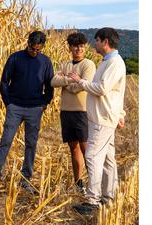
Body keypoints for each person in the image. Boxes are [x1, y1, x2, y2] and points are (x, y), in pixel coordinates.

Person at [0, 31, 54, 194]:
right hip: (15, 107)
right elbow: (4, 81)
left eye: (38, 50)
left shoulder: (45, 62)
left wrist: (44, 104)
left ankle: (25, 180)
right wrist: (8, 103)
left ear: (42, 47)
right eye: (32, 48)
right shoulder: (15, 58)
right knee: (6, 141)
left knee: (31, 144)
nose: (34, 52)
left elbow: (49, 85)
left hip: (34, 108)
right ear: (28, 43)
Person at [69, 27, 126, 214]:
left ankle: (93, 200)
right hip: (103, 117)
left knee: (92, 156)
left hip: (102, 119)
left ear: (105, 42)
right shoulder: (107, 62)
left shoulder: (114, 63)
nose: (95, 44)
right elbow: (116, 93)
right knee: (108, 159)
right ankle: (109, 197)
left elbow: (102, 88)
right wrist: (120, 114)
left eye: (97, 40)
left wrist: (81, 82)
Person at [51, 32, 96, 194]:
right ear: (70, 47)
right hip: (66, 112)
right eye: (75, 46)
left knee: (86, 149)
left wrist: (66, 81)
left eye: (81, 46)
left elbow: (82, 87)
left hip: (82, 111)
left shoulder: (88, 65)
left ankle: (94, 184)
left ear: (85, 47)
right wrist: (72, 79)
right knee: (73, 148)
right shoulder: (65, 64)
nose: (78, 49)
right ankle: (79, 182)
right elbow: (53, 81)